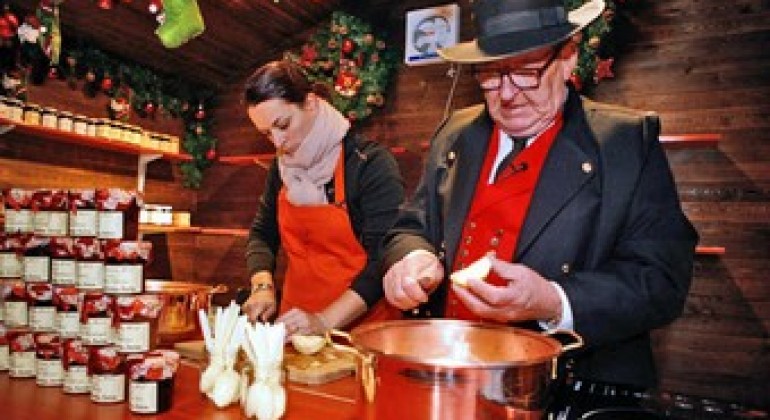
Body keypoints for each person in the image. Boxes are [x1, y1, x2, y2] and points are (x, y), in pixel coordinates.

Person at [381, 0, 698, 391]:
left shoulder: (626, 143)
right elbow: (412, 226)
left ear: (568, 58)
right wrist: (413, 256)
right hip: (448, 376)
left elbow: (662, 280)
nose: (508, 95)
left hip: (561, 384)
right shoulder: (456, 132)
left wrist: (554, 301)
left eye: (526, 73)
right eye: (491, 75)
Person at [242, 60, 404, 336]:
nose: (277, 143)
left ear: (311, 103)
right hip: (295, 327)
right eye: (267, 133)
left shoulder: (369, 163)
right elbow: (262, 234)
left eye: (283, 125)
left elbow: (384, 260)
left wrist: (324, 321)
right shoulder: (281, 170)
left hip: (363, 331)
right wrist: (262, 286)